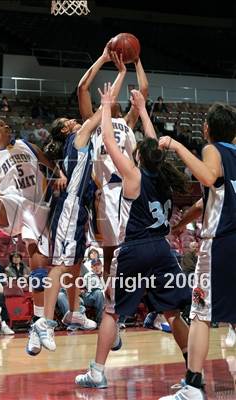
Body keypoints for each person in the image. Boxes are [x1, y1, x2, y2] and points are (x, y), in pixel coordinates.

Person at [75, 83, 191, 389]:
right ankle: (193, 375)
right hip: (163, 251)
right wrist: (141, 110)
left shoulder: (133, 175)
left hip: (136, 249)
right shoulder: (163, 175)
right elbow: (154, 146)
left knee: (112, 311)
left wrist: (105, 106)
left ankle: (97, 372)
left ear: (138, 156)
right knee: (173, 312)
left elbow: (110, 142)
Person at [31, 53, 127, 354]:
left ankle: (72, 311)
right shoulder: (80, 136)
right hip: (71, 207)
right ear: (66, 131)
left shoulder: (79, 140)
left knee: (73, 263)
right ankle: (43, 323)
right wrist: (118, 76)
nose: (76, 121)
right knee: (61, 264)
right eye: (70, 122)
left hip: (79, 208)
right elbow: (98, 106)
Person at [158, 102, 236, 400]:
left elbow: (208, 176)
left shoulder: (212, 150)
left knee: (201, 314)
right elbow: (206, 201)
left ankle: (192, 386)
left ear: (207, 129)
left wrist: (178, 146)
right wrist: (182, 225)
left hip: (221, 242)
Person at [0, 118, 61, 329]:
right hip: (12, 203)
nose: (6, 126)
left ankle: (39, 320)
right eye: (0, 124)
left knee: (39, 274)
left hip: (37, 207)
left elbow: (49, 163)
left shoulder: (27, 145)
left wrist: (61, 175)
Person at [77, 45, 148, 277]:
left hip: (130, 190)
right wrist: (102, 58)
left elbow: (144, 89)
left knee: (134, 247)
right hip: (105, 192)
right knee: (110, 252)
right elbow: (83, 88)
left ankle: (133, 297)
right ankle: (110, 299)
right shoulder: (94, 122)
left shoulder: (128, 121)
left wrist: (136, 60)